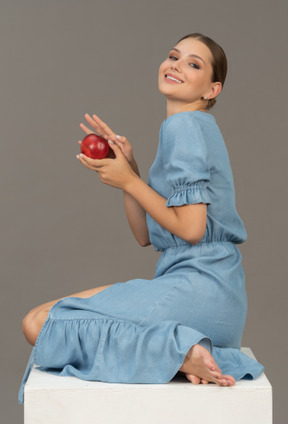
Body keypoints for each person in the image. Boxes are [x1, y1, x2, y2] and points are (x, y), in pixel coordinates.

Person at [19, 33, 264, 403]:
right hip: (215, 295)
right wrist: (128, 172)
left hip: (200, 286)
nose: (176, 65)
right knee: (43, 318)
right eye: (173, 56)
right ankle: (184, 353)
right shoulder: (192, 129)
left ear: (212, 90)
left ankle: (180, 353)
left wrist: (131, 180)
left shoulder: (184, 127)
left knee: (38, 323)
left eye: (193, 64)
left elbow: (193, 229)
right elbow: (144, 236)